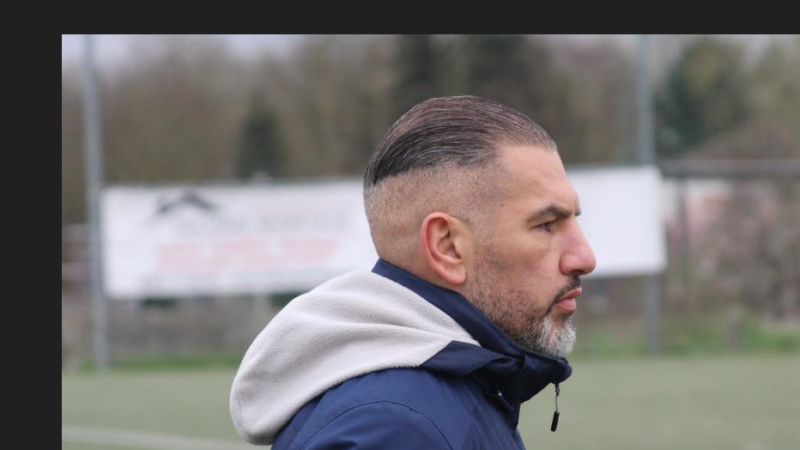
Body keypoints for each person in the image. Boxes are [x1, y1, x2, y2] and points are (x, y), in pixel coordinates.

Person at [230, 95, 596, 449]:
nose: (585, 258)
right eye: (547, 224)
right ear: (447, 247)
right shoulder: (398, 429)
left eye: (573, 220)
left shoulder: (448, 391)